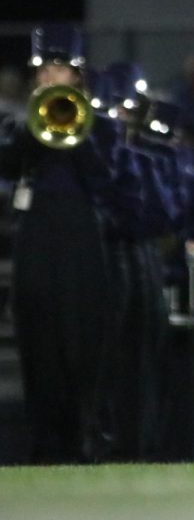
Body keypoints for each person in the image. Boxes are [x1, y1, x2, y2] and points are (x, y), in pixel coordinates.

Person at [0, 25, 124, 462]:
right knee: (38, 343)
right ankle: (45, 448)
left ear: (77, 76)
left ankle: (84, 444)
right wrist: (35, 130)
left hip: (81, 243)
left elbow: (107, 180)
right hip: (36, 239)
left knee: (82, 345)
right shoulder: (18, 124)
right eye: (44, 69)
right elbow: (8, 164)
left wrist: (79, 128)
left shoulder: (101, 127)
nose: (51, 77)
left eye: (60, 69)